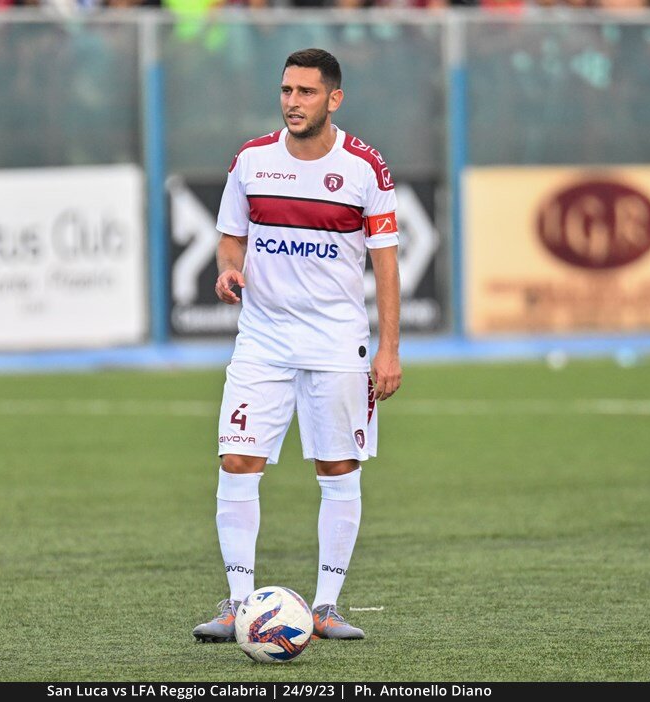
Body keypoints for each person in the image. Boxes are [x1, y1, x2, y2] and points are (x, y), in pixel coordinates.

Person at [193, 48, 402, 643]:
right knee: (237, 461)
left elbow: (386, 266)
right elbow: (231, 239)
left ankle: (327, 606)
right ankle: (238, 603)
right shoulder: (252, 160)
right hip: (262, 340)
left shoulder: (365, 168)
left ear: (333, 99)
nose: (292, 102)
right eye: (286, 90)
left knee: (337, 468)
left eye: (306, 92)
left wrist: (389, 349)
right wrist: (229, 271)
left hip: (338, 343)